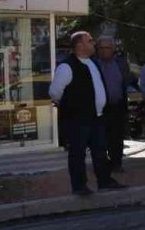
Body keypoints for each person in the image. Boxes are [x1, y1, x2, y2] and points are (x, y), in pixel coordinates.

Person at [49, 31, 120, 195]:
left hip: (97, 117)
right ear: (80, 45)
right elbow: (55, 92)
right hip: (77, 119)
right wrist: (70, 106)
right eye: (90, 40)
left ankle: (104, 181)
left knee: (100, 151)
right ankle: (79, 186)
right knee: (78, 153)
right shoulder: (67, 66)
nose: (93, 43)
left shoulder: (93, 63)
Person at [93, 37, 134, 173]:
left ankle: (116, 163)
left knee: (117, 137)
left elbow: (126, 81)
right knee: (100, 139)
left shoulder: (121, 63)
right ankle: (102, 165)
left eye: (107, 48)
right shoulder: (92, 64)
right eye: (101, 48)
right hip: (99, 109)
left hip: (118, 107)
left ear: (113, 49)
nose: (104, 51)